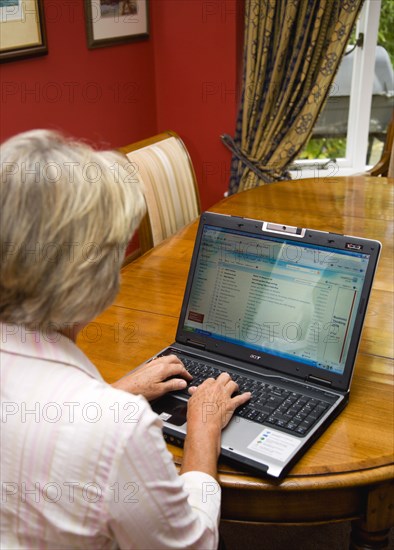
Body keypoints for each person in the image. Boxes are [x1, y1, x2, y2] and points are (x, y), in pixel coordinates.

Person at [0, 130, 251, 549]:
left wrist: (112, 391)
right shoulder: (118, 428)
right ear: (94, 276)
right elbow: (193, 545)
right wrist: (202, 432)